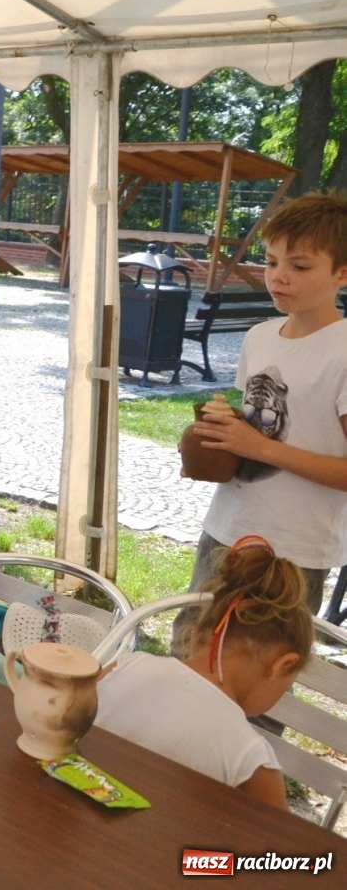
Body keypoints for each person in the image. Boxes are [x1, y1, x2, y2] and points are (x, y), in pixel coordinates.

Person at [174, 192, 347, 652]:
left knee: (257, 676)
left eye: (300, 266)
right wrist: (212, 439)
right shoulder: (260, 336)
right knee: (190, 649)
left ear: (342, 274)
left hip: (293, 551)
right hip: (226, 529)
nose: (279, 276)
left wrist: (258, 448)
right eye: (270, 262)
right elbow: (263, 428)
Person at [97, 536, 311, 809]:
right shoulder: (252, 763)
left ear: (199, 632)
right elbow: (272, 851)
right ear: (282, 664)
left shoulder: (123, 669)